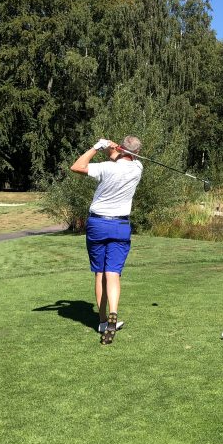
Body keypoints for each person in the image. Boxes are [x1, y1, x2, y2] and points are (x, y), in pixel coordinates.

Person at [71, 135, 143, 345]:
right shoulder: (138, 168)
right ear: (136, 153)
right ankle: (113, 312)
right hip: (120, 226)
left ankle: (103, 320)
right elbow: (119, 157)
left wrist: (97, 146)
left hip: (98, 224)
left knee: (99, 273)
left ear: (121, 148)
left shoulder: (105, 168)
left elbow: (77, 166)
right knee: (112, 273)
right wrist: (112, 148)